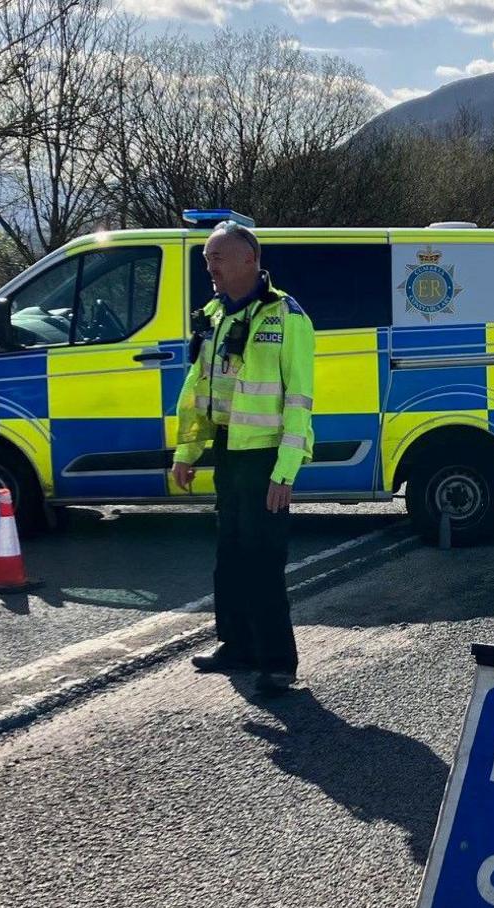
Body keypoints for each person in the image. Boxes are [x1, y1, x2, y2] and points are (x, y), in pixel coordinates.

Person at [172, 221, 315, 696]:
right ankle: (236, 646)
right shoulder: (214, 314)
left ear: (249, 260)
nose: (208, 265)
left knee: (263, 560)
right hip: (229, 455)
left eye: (217, 256)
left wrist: (285, 471)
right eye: (207, 257)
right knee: (229, 556)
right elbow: (199, 393)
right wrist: (188, 451)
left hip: (265, 458)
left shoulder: (286, 316)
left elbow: (299, 399)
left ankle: (277, 662)